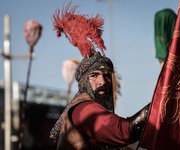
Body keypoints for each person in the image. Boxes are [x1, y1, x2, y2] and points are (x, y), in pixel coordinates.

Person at [50, 2, 150, 150]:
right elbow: (125, 131)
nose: (102, 81)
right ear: (84, 81)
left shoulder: (91, 108)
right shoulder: (84, 110)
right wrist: (158, 104)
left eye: (107, 76)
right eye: (94, 75)